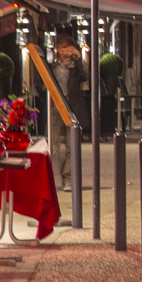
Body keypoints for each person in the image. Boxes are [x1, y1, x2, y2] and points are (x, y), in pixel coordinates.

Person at [42, 33, 88, 192]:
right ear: (56, 50)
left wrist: (79, 59)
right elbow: (41, 83)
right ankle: (55, 178)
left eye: (68, 48)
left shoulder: (76, 68)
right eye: (62, 48)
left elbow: (84, 77)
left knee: (71, 146)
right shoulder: (52, 66)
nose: (65, 51)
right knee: (52, 146)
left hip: (72, 110)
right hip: (55, 109)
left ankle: (68, 179)